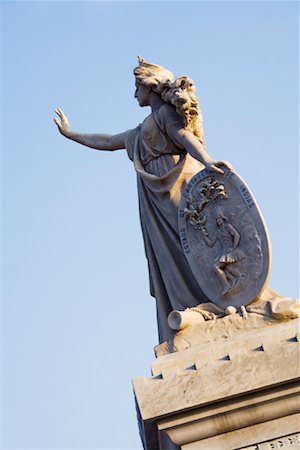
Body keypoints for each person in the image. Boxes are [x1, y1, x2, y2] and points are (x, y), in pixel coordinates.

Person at [54, 57, 232, 342]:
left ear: (148, 86)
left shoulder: (163, 118)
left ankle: (221, 300)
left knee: (196, 248)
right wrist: (71, 133)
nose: (134, 94)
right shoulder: (140, 132)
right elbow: (106, 141)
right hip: (156, 202)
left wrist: (207, 159)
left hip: (177, 189)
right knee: (172, 257)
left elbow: (185, 137)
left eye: (136, 87)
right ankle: (193, 307)